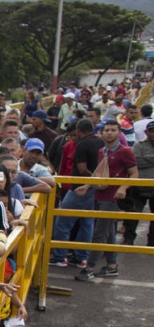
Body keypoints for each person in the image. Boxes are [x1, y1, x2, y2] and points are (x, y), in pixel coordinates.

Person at [76, 120, 137, 281]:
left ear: (119, 133)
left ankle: (89, 268)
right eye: (107, 130)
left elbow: (134, 174)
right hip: (100, 195)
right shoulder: (101, 151)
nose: (109, 133)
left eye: (113, 130)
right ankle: (112, 266)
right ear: (102, 133)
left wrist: (123, 188)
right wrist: (88, 186)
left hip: (113, 198)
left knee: (100, 233)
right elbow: (99, 173)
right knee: (109, 233)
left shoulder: (125, 152)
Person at [49, 119, 104, 268]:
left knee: (62, 222)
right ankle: (82, 258)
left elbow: (81, 169)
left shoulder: (82, 145)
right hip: (95, 188)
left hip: (79, 188)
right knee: (87, 224)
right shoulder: (100, 142)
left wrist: (88, 179)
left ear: (79, 131)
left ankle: (60, 257)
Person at [124, 123, 154, 246]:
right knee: (133, 214)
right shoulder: (138, 145)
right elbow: (135, 161)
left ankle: (152, 242)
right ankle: (128, 239)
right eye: (151, 131)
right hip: (139, 185)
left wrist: (146, 157)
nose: (153, 134)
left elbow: (141, 160)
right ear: (146, 132)